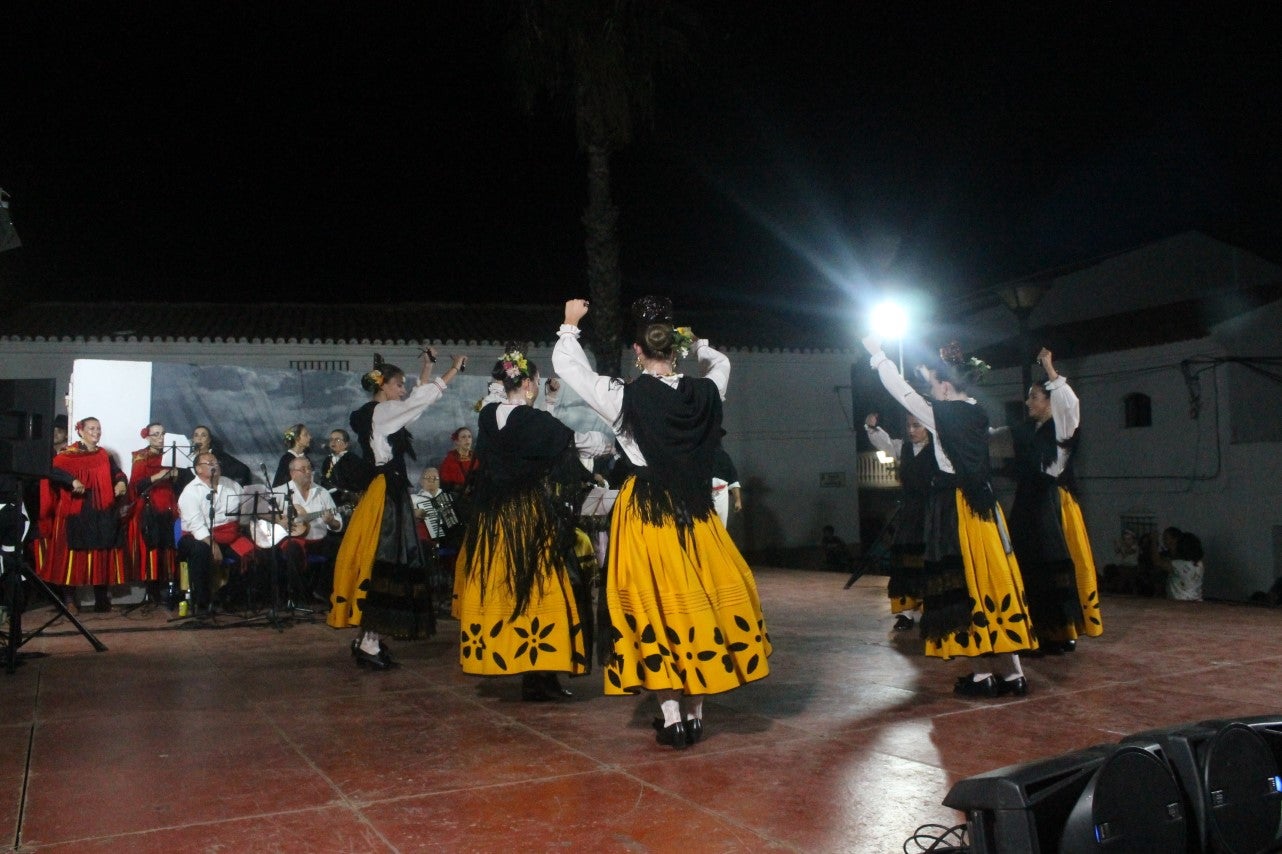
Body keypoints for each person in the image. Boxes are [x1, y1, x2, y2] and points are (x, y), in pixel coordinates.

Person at [554, 296, 772, 749]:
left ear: (638, 351)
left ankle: (672, 717)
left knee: (654, 606)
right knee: (698, 602)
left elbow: (569, 368)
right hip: (694, 512)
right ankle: (694, 715)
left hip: (647, 514)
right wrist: (703, 347)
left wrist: (570, 325)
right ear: (676, 348)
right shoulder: (707, 391)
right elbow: (722, 363)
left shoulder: (623, 396)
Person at [861, 336, 1036, 697]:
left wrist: (878, 355)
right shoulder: (977, 411)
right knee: (990, 583)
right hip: (985, 508)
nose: (930, 392)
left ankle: (982, 676)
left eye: (932, 385)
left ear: (944, 386)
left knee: (962, 587)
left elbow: (902, 393)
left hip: (956, 510)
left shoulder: (944, 414)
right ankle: (1013, 674)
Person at [455, 345, 611, 700]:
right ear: (527, 384)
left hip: (495, 520)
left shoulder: (488, 415)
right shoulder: (533, 421)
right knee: (544, 587)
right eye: (536, 382)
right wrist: (609, 443)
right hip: (528, 515)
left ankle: (521, 664)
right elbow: (569, 441)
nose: (538, 387)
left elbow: (527, 427)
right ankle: (541, 674)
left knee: (506, 588)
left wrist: (548, 401)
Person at [328, 349, 466, 669]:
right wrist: (453, 370)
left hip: (386, 491)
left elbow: (415, 405)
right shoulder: (381, 413)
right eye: (399, 384)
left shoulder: (383, 414)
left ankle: (368, 639)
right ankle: (369, 641)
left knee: (384, 561)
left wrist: (427, 367)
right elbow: (417, 403)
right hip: (386, 496)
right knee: (386, 561)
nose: (403, 390)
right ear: (384, 386)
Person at [992, 348, 1103, 655]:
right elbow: (997, 437)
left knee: (1050, 563)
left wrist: (1051, 372)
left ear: (1050, 401)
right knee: (1030, 563)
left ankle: (1059, 631)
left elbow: (1071, 406)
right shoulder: (1028, 430)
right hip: (1029, 500)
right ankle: (1043, 631)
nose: (1028, 402)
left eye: (1034, 397)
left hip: (1049, 502)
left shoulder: (1062, 426)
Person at [39, 417, 129, 612]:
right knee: (71, 557)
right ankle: (69, 600)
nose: (96, 432)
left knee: (100, 555)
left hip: (99, 512)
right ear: (80, 431)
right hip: (76, 512)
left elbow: (118, 473)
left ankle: (101, 599)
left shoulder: (104, 455)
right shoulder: (67, 455)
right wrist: (71, 480)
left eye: (98, 428)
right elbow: (50, 471)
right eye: (91, 428)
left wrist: (121, 482)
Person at [864, 410, 937, 631]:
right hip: (909, 513)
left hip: (931, 513)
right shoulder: (903, 448)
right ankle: (906, 613)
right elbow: (884, 442)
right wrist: (871, 427)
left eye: (917, 425)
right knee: (904, 561)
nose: (911, 430)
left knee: (928, 562)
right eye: (908, 426)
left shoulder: (938, 450)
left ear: (928, 427)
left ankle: (930, 609)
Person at [177, 451, 255, 618]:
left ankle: (228, 597)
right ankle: (202, 603)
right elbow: (196, 526)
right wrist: (212, 544)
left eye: (216, 462)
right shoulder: (190, 492)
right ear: (198, 469)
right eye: (210, 463)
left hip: (228, 534)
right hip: (196, 536)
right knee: (201, 551)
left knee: (251, 550)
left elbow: (246, 507)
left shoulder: (231, 484)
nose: (215, 465)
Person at [271, 457, 342, 606]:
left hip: (318, 540)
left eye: (309, 468)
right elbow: (264, 515)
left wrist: (331, 521)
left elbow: (338, 524)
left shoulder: (322, 492)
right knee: (292, 549)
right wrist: (278, 521)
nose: (308, 472)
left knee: (341, 547)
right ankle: (297, 597)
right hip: (293, 540)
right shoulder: (279, 492)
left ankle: (322, 590)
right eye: (303, 469)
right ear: (292, 473)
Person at [128, 422, 181, 603]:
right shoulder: (140, 457)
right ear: (148, 437)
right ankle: (151, 590)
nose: (160, 438)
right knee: (152, 546)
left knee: (168, 547)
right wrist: (157, 476)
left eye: (163, 433)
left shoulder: (172, 455)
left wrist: (175, 477)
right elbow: (136, 486)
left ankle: (168, 589)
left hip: (169, 505)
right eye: (156, 434)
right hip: (150, 507)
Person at [412, 467, 462, 615]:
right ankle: (426, 598)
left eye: (435, 478)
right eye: (428, 478)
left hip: (445, 543)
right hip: (423, 542)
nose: (431, 481)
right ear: (421, 481)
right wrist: (416, 513)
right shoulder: (415, 499)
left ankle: (448, 597)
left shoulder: (446, 498)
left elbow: (453, 524)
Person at [180, 425, 252, 490]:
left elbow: (243, 469)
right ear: (193, 439)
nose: (199, 438)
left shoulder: (219, 456)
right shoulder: (187, 458)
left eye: (203, 435)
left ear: (209, 440)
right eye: (196, 435)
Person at [317, 428, 372, 512]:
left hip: (349, 503)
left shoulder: (353, 460)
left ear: (346, 444)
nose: (333, 442)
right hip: (331, 502)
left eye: (337, 440)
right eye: (331, 439)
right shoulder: (327, 460)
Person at [438, 427, 478, 496]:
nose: (467, 439)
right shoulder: (449, 461)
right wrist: (460, 488)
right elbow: (444, 485)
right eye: (463, 437)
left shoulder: (476, 459)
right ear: (457, 441)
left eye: (469, 437)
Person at [711, 443, 742, 527]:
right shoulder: (696, 455)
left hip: (721, 495)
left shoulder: (723, 455)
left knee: (721, 525)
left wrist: (737, 500)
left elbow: (733, 479)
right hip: (702, 496)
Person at [1167, 531, 1204, 601]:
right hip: (1197, 600)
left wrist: (1153, 541)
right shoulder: (1200, 563)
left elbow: (1156, 561)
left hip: (1179, 601)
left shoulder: (1177, 564)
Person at [272, 423, 312, 488]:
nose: (310, 437)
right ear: (297, 439)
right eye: (305, 435)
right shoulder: (286, 459)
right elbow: (279, 485)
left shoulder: (307, 459)